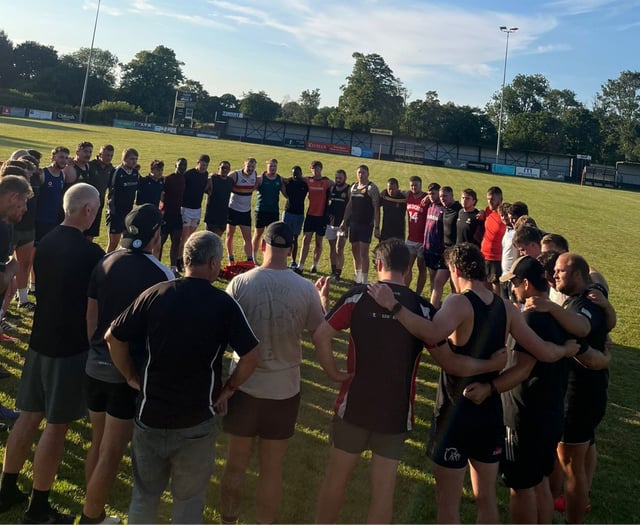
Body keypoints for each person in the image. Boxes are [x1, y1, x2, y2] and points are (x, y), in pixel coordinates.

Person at [367, 243, 578, 523]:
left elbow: (432, 332)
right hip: (489, 412)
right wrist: (565, 350)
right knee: (486, 498)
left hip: (456, 412)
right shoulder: (507, 308)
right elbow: (543, 352)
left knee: (448, 502)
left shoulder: (458, 302)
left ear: (455, 269)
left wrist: (393, 305)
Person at [313, 239, 507, 524]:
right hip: (395, 412)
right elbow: (451, 363)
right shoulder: (423, 309)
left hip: (354, 407)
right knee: (383, 493)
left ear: (378, 264)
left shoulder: (358, 296)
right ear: (408, 271)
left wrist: (333, 372)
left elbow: (321, 336)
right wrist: (491, 365)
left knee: (335, 482)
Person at [106, 231, 259, 524]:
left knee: (144, 497)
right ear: (213, 263)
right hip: (195, 421)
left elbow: (113, 337)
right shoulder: (223, 304)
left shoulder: (156, 294)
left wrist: (129, 375)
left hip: (150, 416)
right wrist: (229, 389)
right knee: (188, 503)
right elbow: (251, 356)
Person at [464, 256, 610, 524]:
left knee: (520, 487)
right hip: (551, 411)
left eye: (515, 283)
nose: (513, 289)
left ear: (526, 284)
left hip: (525, 415)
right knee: (541, 480)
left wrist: (489, 388)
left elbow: (522, 369)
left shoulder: (531, 318)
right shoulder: (561, 316)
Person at [0, 183, 104, 523]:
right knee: (56, 427)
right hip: (69, 349)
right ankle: (39, 507)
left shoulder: (44, 243)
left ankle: (7, 489)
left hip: (39, 341)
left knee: (28, 416)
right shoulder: (91, 253)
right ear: (87, 210)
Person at [220, 222, 327, 525]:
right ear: (291, 249)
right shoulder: (305, 289)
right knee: (271, 470)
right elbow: (321, 332)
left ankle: (228, 520)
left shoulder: (240, 283)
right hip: (283, 391)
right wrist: (322, 303)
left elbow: (221, 330)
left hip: (244, 386)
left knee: (235, 464)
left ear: (263, 245)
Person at [81, 204, 174, 525]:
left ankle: (93, 508)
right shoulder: (162, 274)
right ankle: (91, 516)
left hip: (95, 365)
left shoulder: (105, 261)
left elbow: (91, 317)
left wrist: (95, 350)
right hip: (128, 373)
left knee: (98, 442)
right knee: (111, 451)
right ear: (156, 235)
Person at [525, 252, 611, 524]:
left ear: (577, 275)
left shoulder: (584, 303)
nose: (554, 276)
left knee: (571, 465)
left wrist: (552, 309)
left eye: (560, 271)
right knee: (578, 456)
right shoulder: (592, 293)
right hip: (588, 391)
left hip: (578, 394)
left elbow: (582, 328)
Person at [341, 165, 380, 284]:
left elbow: (376, 208)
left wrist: (377, 226)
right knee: (354, 251)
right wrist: (344, 220)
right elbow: (350, 205)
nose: (361, 175)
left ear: (368, 174)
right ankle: (357, 278)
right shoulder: (353, 187)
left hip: (366, 225)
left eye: (363, 172)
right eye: (359, 172)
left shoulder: (371, 188)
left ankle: (364, 280)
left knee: (363, 253)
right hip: (354, 224)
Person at [296, 160, 332, 274]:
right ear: (311, 170)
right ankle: (300, 266)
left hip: (321, 216)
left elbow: (338, 185)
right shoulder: (308, 180)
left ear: (321, 169)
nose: (315, 171)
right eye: (313, 169)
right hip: (310, 215)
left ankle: (314, 265)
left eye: (317, 168)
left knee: (318, 242)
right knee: (305, 240)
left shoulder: (326, 182)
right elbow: (296, 177)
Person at [106, 148, 140, 252]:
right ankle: (106, 261)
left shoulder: (135, 173)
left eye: (136, 159)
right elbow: (108, 189)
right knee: (113, 243)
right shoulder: (116, 172)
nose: (134, 161)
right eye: (132, 159)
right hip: (115, 212)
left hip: (128, 213)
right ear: (124, 159)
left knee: (126, 242)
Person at [251, 159, 285, 262]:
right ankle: (253, 257)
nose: (273, 168)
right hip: (261, 211)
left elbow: (286, 194)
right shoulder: (261, 179)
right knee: (258, 234)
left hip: (273, 212)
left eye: (274, 166)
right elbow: (250, 189)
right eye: (271, 166)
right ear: (267, 167)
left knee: (271, 236)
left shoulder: (279, 179)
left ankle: (268, 257)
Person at [35, 146, 69, 244]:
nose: (64, 160)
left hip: (54, 220)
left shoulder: (62, 175)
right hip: (40, 220)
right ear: (53, 157)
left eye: (66, 158)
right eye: (61, 157)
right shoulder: (43, 173)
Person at [226, 158, 258, 263]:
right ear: (244, 165)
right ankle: (230, 258)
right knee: (230, 235)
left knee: (247, 237)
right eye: (248, 166)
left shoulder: (255, 175)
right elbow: (223, 180)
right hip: (233, 210)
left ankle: (249, 260)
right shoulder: (235, 175)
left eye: (253, 167)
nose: (250, 169)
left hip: (245, 212)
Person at [160, 158, 187, 275]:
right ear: (175, 165)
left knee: (176, 241)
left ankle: (173, 267)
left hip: (177, 214)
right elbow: (161, 194)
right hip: (166, 214)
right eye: (180, 165)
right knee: (160, 241)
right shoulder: (168, 179)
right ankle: (157, 264)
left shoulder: (185, 179)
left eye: (184, 165)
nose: (182, 167)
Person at [180, 155, 210, 257]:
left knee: (191, 236)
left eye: (206, 165)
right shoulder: (189, 174)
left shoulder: (205, 174)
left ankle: (187, 256)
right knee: (184, 236)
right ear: (198, 162)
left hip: (197, 209)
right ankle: (180, 258)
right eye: (202, 165)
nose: (203, 167)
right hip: (186, 208)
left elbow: (204, 188)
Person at [422, 182, 446, 308]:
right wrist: (428, 196)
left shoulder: (444, 208)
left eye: (434, 193)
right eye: (429, 193)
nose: (431, 196)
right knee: (432, 277)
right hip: (428, 247)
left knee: (437, 280)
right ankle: (433, 304)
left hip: (438, 249)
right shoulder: (430, 205)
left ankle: (435, 305)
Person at [86, 145, 116, 240]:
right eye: (107, 155)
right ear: (100, 154)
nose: (109, 158)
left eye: (111, 155)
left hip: (99, 203)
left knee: (92, 231)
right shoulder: (90, 165)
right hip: (86, 202)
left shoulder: (111, 169)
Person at [325, 169, 350, 279]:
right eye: (336, 178)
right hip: (331, 223)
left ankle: (338, 273)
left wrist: (345, 221)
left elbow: (350, 206)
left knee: (339, 248)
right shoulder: (332, 188)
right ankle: (333, 270)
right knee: (332, 248)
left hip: (342, 224)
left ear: (345, 178)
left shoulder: (348, 190)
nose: (338, 180)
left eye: (340, 178)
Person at [281, 166, 308, 268]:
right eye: (294, 174)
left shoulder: (305, 184)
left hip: (299, 214)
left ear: (301, 173)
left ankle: (293, 261)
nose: (295, 176)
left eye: (297, 173)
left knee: (295, 238)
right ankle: (282, 259)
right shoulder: (289, 182)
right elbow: (281, 181)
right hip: (288, 212)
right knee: (285, 237)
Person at [480, 186, 506, 294]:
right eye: (488, 199)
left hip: (496, 257)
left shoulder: (504, 216)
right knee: (484, 284)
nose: (490, 202)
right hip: (484, 254)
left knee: (496, 287)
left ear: (500, 200)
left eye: (493, 199)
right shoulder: (488, 211)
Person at [405, 176, 428, 294]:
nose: (414, 187)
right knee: (407, 266)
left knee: (421, 267)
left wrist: (428, 196)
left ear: (421, 185)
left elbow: (438, 195)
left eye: (416, 185)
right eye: (412, 185)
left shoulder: (426, 198)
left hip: (423, 240)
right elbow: (396, 192)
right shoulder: (408, 195)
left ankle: (418, 293)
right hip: (411, 238)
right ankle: (405, 291)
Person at [204, 160, 233, 235]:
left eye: (227, 168)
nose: (225, 170)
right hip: (211, 215)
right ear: (218, 168)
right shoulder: (213, 178)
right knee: (208, 238)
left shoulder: (230, 181)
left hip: (223, 215)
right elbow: (204, 189)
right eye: (223, 168)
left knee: (217, 238)